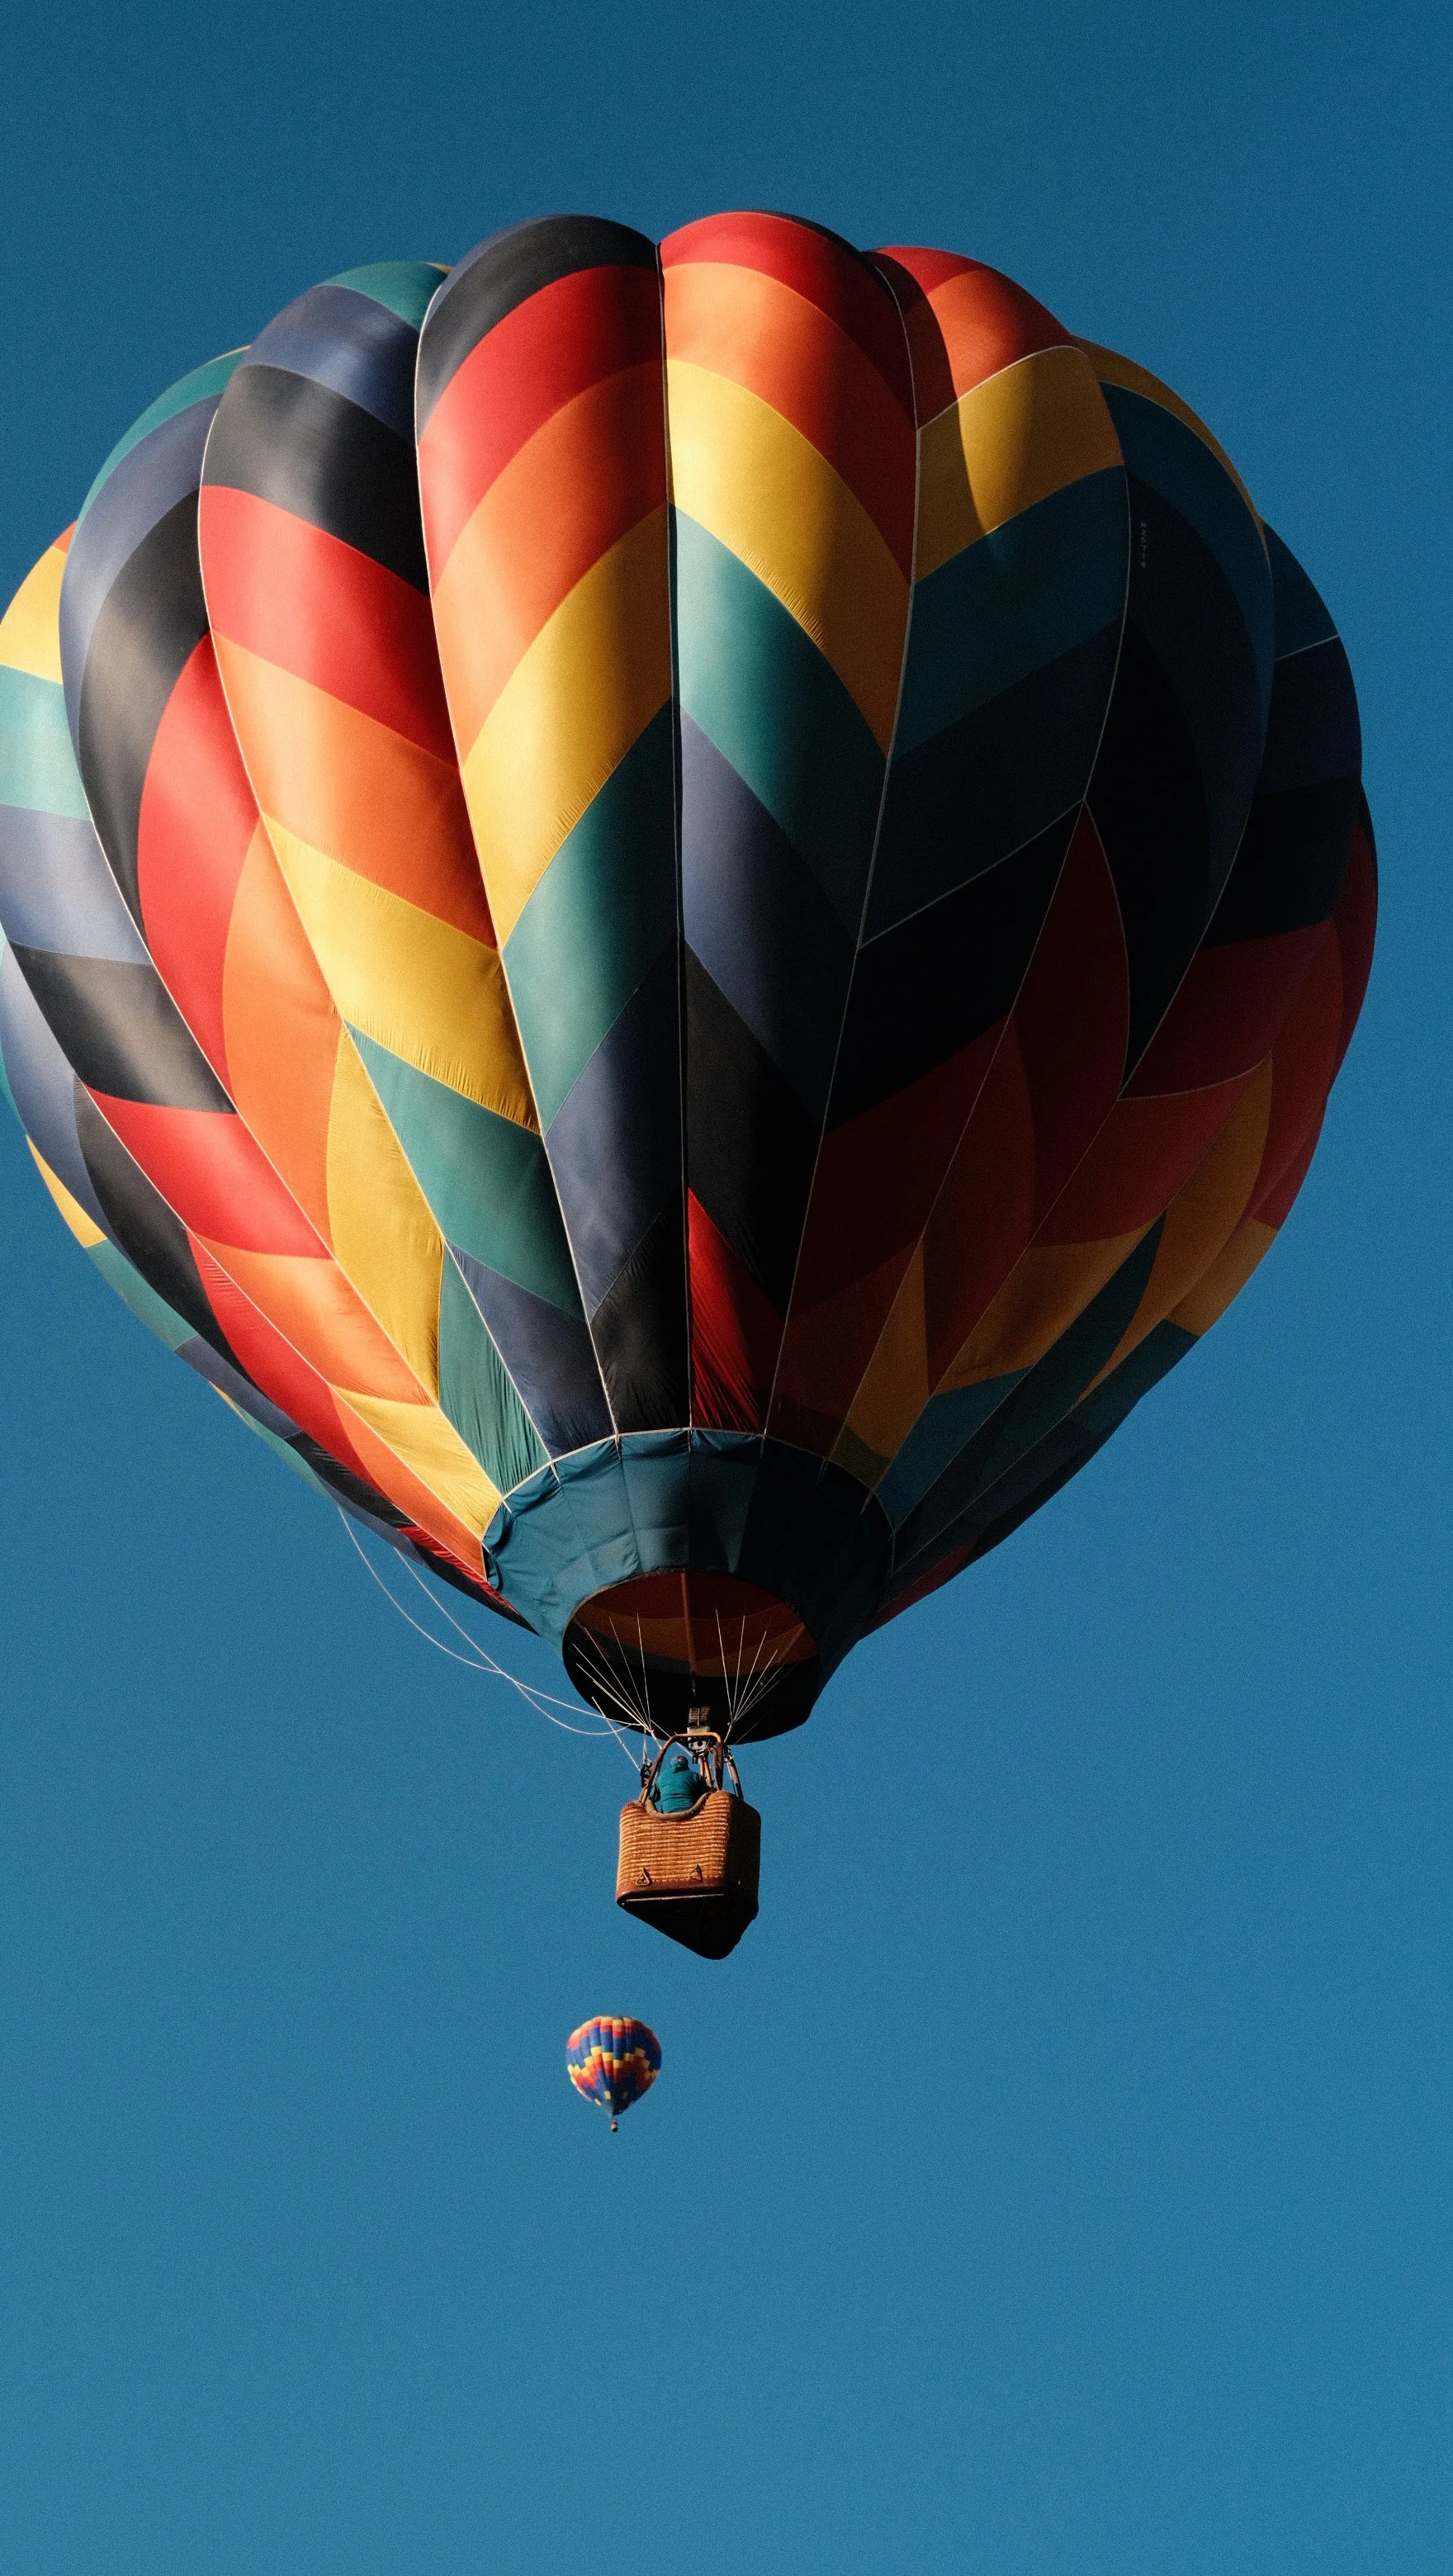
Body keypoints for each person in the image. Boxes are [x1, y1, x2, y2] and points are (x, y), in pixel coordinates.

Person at [651, 1746, 703, 1814]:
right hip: (690, 1813)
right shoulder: (695, 1776)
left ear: (672, 1764)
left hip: (668, 1814)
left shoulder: (662, 1777)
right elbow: (705, 1795)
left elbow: (652, 1797)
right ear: (686, 1764)